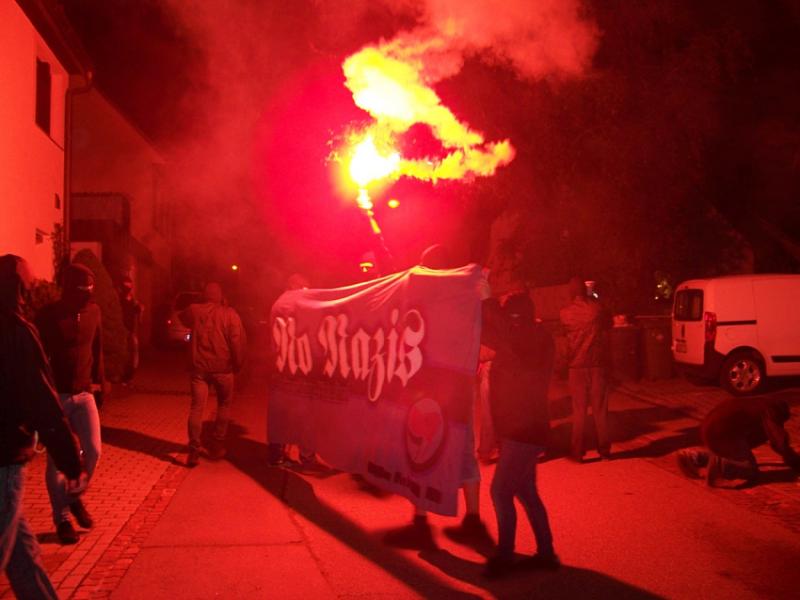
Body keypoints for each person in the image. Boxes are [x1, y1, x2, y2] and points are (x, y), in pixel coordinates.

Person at [385, 244, 489, 548]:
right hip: (459, 383)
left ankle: (420, 522)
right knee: (464, 447)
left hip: (429, 383)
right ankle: (472, 520)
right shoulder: (466, 295)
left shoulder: (421, 297)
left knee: (422, 451)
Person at [1, 254, 87, 598]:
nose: (35, 287)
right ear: (18, 287)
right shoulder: (17, 331)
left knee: (22, 556)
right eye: (30, 282)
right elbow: (41, 401)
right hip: (4, 456)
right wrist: (70, 459)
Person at [482, 290, 559, 578]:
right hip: (523, 426)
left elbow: (497, 330)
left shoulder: (528, 338)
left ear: (514, 315)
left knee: (500, 491)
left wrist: (484, 301)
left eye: (507, 310)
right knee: (526, 492)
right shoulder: (527, 335)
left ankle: (505, 557)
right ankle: (546, 554)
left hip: (523, 428)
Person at [36, 263, 104, 545]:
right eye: (82, 289)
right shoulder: (49, 315)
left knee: (94, 451)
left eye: (90, 288)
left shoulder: (94, 311)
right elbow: (37, 357)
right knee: (56, 463)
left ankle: (74, 496)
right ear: (70, 288)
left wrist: (101, 385)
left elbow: (97, 348)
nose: (87, 294)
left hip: (85, 393)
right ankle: (62, 519)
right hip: (57, 396)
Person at [181, 282, 246, 467]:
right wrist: (238, 365)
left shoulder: (194, 310)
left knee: (196, 408)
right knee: (224, 405)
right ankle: (217, 445)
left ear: (204, 296)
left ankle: (193, 450)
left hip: (199, 369)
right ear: (220, 296)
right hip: (223, 369)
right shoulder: (230, 314)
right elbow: (237, 343)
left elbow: (182, 317)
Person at [676, 396, 800, 486]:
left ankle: (694, 457)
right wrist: (794, 461)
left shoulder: (759, 402)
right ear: (781, 412)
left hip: (711, 429)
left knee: (734, 454)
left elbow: (768, 438)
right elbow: (779, 440)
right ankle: (718, 467)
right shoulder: (771, 409)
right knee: (750, 470)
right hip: (723, 433)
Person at [559, 276, 611, 462]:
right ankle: (604, 451)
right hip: (597, 365)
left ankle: (577, 452)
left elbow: (564, 337)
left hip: (576, 367)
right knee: (600, 410)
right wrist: (592, 296)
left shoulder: (565, 313)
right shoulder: (596, 308)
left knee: (579, 411)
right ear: (585, 290)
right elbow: (608, 323)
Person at [118, 275, 143, 386]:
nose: (128, 288)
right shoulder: (120, 299)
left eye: (130, 285)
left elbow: (139, 313)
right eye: (126, 286)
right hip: (123, 331)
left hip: (131, 331)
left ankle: (129, 377)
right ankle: (124, 377)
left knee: (133, 355)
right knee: (125, 355)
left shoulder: (132, 300)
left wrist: (140, 308)